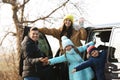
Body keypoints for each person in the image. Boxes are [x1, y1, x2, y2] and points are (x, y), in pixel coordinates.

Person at [38, 14, 87, 80]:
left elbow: (84, 37)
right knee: (64, 75)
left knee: (77, 75)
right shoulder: (60, 32)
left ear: (72, 22)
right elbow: (49, 31)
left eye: (70, 20)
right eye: (66, 20)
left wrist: (81, 27)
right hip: (65, 58)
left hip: (76, 57)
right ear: (64, 21)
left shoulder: (76, 32)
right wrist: (37, 29)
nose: (67, 22)